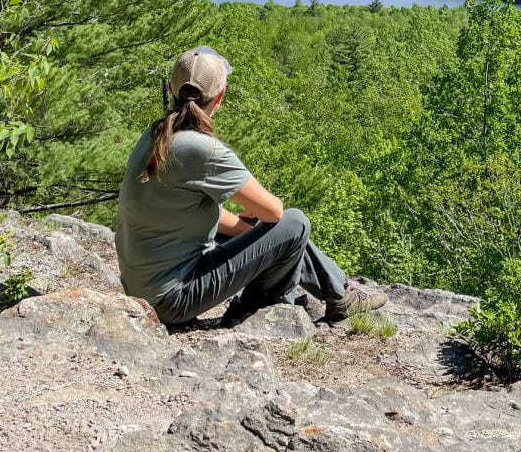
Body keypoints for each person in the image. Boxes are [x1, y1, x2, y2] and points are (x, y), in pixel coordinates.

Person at [114, 45, 387, 327]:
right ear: (220, 97)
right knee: (295, 223)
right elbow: (274, 213)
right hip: (172, 300)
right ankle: (259, 307)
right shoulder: (202, 150)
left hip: (145, 288)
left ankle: (340, 290)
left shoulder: (156, 134)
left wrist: (246, 231)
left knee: (264, 231)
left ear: (172, 90)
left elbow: (189, 214)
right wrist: (256, 225)